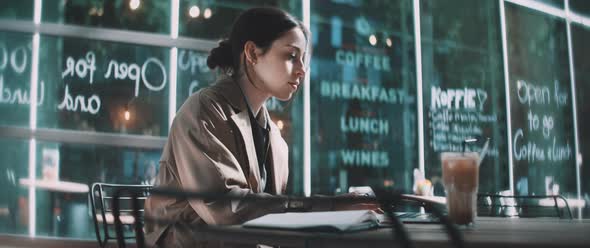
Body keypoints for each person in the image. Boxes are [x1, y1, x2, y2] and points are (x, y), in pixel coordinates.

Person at [144, 7, 375, 247]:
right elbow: (227, 209)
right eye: (291, 56)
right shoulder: (203, 110)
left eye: (303, 59)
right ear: (252, 53)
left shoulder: (274, 138)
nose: (302, 70)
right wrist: (331, 205)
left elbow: (269, 217)